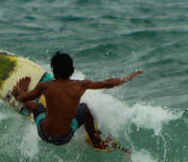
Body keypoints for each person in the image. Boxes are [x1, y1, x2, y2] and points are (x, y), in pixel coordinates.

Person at [12, 51, 142, 149]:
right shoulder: (81, 85)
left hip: (44, 133)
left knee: (37, 106)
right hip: (64, 138)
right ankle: (95, 139)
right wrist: (128, 77)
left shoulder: (45, 86)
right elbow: (108, 83)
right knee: (84, 109)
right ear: (72, 70)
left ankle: (19, 92)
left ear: (53, 70)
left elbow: (23, 98)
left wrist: (19, 93)